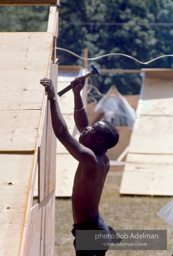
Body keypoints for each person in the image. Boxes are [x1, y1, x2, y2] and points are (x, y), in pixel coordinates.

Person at [40, 76, 120, 256]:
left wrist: (53, 97)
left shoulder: (90, 159)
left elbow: (62, 133)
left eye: (91, 130)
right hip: (93, 227)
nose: (85, 130)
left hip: (90, 231)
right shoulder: (101, 155)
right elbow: (82, 123)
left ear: (98, 139)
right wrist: (77, 94)